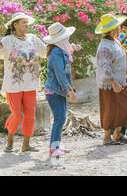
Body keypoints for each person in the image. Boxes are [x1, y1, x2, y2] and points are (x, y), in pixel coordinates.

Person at [0, 12, 46, 153]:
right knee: (16, 114)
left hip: (31, 84)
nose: (27, 25)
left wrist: (61, 44)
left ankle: (26, 145)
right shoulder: (7, 40)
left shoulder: (33, 38)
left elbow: (46, 52)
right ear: (15, 25)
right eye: (23, 22)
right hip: (13, 85)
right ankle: (10, 141)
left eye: (27, 22)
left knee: (30, 115)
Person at [95, 14, 127, 146]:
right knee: (110, 108)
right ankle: (107, 136)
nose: (119, 29)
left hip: (120, 80)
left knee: (124, 108)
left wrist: (124, 76)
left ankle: (118, 133)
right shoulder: (104, 46)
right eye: (116, 27)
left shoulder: (114, 42)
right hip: (110, 83)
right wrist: (112, 82)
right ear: (111, 30)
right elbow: (105, 66)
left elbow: (120, 61)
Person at [43, 22, 78, 157]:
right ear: (61, 39)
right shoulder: (56, 52)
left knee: (60, 119)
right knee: (60, 119)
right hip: (54, 90)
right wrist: (70, 91)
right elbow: (60, 74)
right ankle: (53, 148)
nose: (68, 39)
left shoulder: (59, 50)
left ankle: (56, 145)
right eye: (66, 37)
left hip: (57, 90)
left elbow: (66, 64)